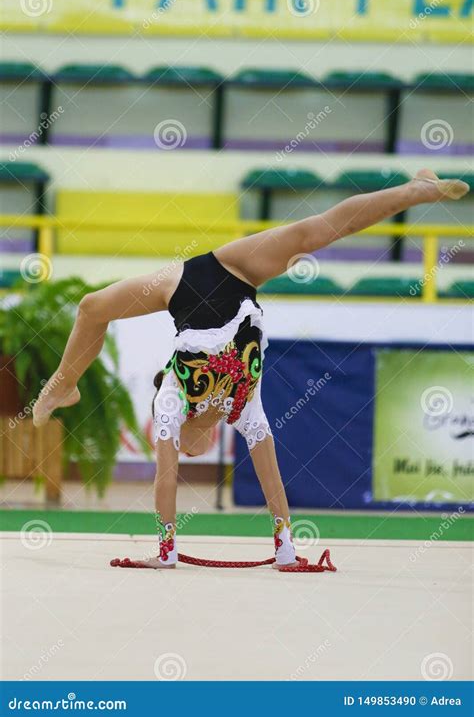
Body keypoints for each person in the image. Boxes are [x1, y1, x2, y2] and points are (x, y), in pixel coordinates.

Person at [32, 170, 468, 568]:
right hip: (236, 276)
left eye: (182, 449)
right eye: (188, 453)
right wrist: (286, 548)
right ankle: (416, 189)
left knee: (315, 230)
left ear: (181, 432)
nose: (185, 452)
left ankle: (63, 383)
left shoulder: (171, 402)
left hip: (184, 284)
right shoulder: (244, 409)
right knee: (308, 236)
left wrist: (165, 551)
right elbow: (271, 479)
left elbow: (166, 482)